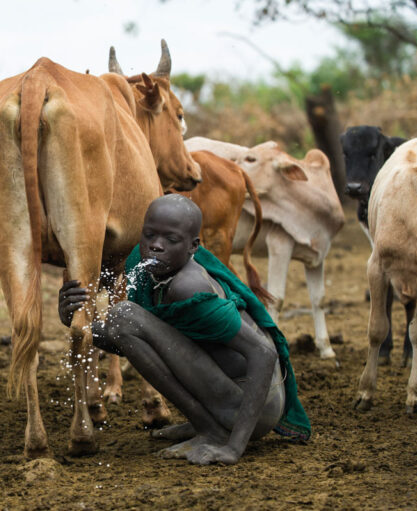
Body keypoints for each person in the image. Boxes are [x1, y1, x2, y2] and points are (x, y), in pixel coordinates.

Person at [58, 194, 310, 465]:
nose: (156, 245)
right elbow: (128, 341)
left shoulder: (188, 286)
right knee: (124, 318)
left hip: (253, 407)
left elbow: (264, 353)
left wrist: (235, 447)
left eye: (171, 240)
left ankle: (213, 431)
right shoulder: (142, 268)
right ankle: (206, 423)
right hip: (227, 394)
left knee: (123, 314)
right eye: (149, 235)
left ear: (193, 246)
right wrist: (73, 319)